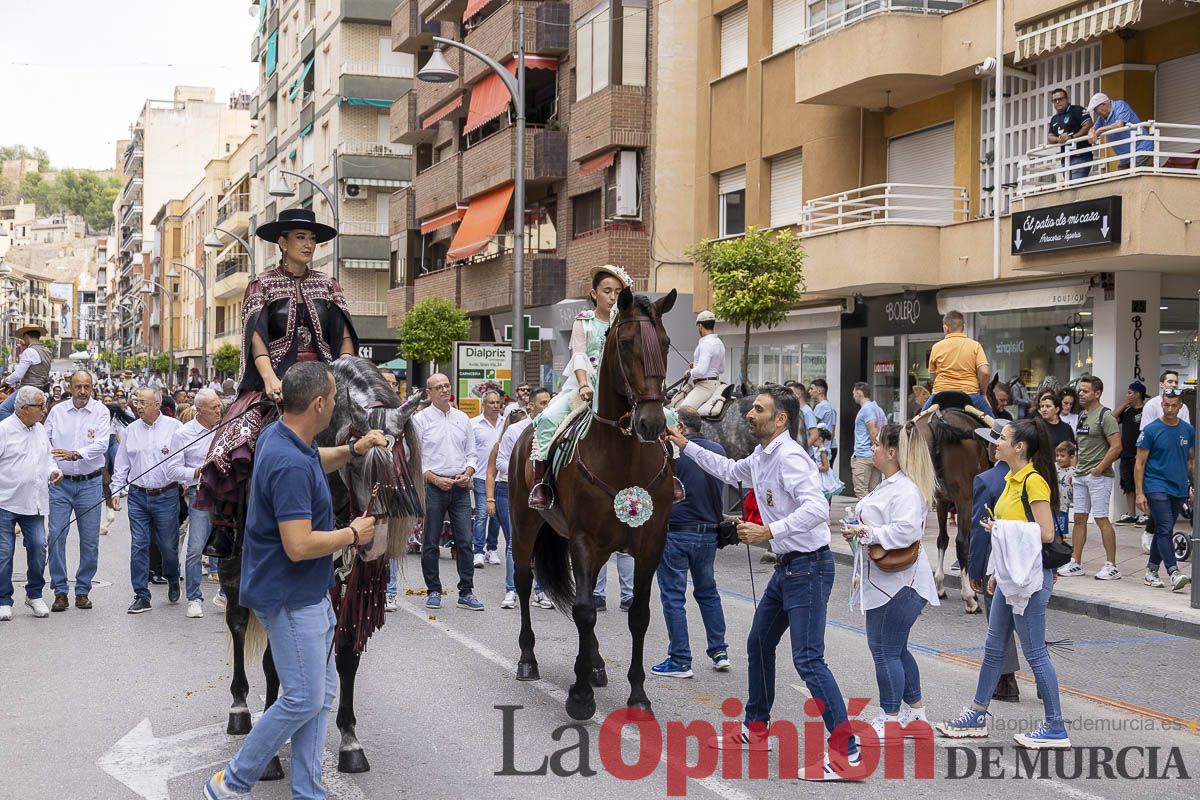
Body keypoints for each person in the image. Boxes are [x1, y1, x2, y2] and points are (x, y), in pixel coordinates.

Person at [203, 362, 380, 800]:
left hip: (305, 593)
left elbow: (316, 458)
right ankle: (231, 782)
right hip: (290, 597)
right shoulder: (288, 463)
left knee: (321, 694)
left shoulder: (283, 436)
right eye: (334, 398)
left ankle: (308, 791)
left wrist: (353, 449)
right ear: (319, 404)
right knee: (303, 698)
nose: (335, 404)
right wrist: (353, 533)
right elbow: (298, 545)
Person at [667, 385, 860, 780]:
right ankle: (756, 729)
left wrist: (768, 530)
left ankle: (848, 753)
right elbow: (727, 470)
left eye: (758, 409)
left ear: (780, 419)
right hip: (788, 568)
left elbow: (816, 509)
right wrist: (684, 444)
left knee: (808, 660)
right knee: (758, 643)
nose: (749, 414)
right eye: (752, 407)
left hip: (808, 568)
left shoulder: (790, 458)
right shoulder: (761, 455)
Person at [197, 208, 358, 557]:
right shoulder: (263, 284)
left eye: (312, 238)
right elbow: (256, 337)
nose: (309, 244)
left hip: (327, 376)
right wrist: (270, 378)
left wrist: (344, 372)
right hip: (277, 377)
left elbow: (344, 334)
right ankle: (226, 524)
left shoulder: (329, 285)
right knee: (233, 437)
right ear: (282, 243)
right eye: (301, 237)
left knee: (371, 428)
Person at [937, 419, 1070, 750]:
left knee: (1035, 652)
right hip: (1010, 578)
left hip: (1030, 581)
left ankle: (1056, 727)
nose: (996, 443)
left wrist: (1002, 528)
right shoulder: (1010, 479)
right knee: (994, 647)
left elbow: (1046, 533)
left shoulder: (1033, 481)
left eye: (1004, 439)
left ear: (1019, 447)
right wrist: (997, 569)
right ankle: (977, 714)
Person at [842, 422, 939, 737]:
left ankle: (890, 718)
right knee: (894, 649)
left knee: (885, 650)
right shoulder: (889, 484)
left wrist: (865, 532)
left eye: (877, 445)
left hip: (901, 583)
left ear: (892, 453)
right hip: (885, 580)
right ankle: (915, 714)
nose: (873, 450)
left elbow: (906, 531)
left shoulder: (905, 489)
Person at [529, 264, 634, 508]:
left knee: (666, 417)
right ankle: (541, 483)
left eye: (618, 292)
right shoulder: (583, 322)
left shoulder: (626, 323)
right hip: (584, 386)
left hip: (620, 390)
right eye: (607, 291)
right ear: (594, 293)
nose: (613, 297)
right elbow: (578, 355)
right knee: (547, 419)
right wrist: (584, 384)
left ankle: (669, 478)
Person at [651, 407, 729, 679]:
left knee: (673, 597)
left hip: (676, 531)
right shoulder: (717, 450)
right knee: (708, 593)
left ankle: (680, 659)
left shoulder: (668, 451)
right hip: (708, 532)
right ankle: (720, 651)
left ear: (680, 427)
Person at [111, 386, 184, 614]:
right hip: (138, 496)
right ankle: (142, 595)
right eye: (137, 402)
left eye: (143, 402)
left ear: (157, 405)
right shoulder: (130, 430)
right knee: (139, 544)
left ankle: (172, 576)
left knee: (168, 546)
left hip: (166, 495)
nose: (138, 406)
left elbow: (184, 460)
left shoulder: (175, 428)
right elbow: (122, 463)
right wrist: (115, 491)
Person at [414, 372, 482, 612]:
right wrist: (434, 478)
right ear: (429, 393)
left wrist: (468, 473)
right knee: (430, 542)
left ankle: (466, 592)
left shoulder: (462, 418)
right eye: (439, 387)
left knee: (465, 541)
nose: (444, 390)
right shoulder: (420, 420)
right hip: (433, 486)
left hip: (460, 486)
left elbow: (472, 454)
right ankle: (433, 590)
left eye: (447, 386)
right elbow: (416, 459)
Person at [44, 370, 110, 612]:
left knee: (90, 540)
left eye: (87, 386)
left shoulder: (101, 411)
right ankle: (60, 590)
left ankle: (82, 590)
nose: (83, 391)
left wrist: (76, 454)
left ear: (92, 387)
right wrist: (53, 469)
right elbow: (45, 444)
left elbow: (102, 444)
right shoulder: (57, 412)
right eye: (78, 386)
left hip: (89, 483)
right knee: (55, 536)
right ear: (69, 387)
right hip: (60, 484)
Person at [968, 421, 1023, 703]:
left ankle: (1006, 679)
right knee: (1028, 618)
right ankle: (1042, 678)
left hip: (998, 556)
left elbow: (979, 530)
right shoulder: (1032, 476)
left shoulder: (986, 480)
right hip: (1027, 554)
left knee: (998, 620)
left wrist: (975, 569)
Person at [486, 387, 554, 610]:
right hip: (512, 490)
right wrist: (526, 472)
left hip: (543, 491)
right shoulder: (516, 430)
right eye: (543, 403)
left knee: (542, 541)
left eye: (549, 402)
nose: (547, 407)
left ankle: (541, 590)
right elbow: (501, 462)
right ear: (530, 406)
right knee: (515, 542)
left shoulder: (555, 428)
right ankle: (512, 589)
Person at [0, 387, 61, 620]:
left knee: (38, 547)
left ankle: (34, 594)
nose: (45, 410)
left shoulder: (40, 429)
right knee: (4, 553)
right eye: (40, 406)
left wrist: (54, 471)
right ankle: (3, 599)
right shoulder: (4, 430)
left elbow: (48, 458)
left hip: (34, 503)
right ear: (25, 408)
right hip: (5, 502)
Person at [1057, 376, 1122, 580]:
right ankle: (1075, 562)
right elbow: (1081, 446)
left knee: (1101, 518)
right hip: (1081, 475)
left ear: (1097, 393)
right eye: (1080, 390)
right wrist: (1075, 470)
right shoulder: (1083, 415)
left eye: (1085, 391)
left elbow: (1117, 447)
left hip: (1099, 477)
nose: (1081, 394)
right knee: (1079, 518)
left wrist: (1099, 468)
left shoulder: (1106, 415)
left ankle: (1111, 566)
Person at [170, 388, 223, 619]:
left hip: (226, 493)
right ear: (199, 410)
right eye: (213, 408)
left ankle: (225, 592)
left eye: (219, 406)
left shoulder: (225, 428)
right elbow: (172, 469)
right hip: (200, 493)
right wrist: (197, 471)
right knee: (195, 548)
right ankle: (194, 598)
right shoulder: (183, 434)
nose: (219, 411)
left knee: (229, 544)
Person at [1134, 389, 1193, 593]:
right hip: (1156, 485)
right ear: (1162, 405)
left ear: (1180, 406)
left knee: (1162, 530)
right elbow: (1139, 463)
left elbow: (1191, 460)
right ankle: (1174, 572)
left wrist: (1192, 487)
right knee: (1166, 528)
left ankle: (1151, 572)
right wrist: (1140, 492)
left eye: (1173, 405)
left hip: (1179, 487)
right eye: (1166, 405)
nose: (1169, 409)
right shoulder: (1151, 430)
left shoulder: (1187, 430)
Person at [923, 310, 994, 415]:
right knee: (993, 424)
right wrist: (983, 393)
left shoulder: (936, 347)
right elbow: (985, 372)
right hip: (970, 395)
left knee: (918, 421)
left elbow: (933, 378)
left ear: (945, 328)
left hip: (940, 395)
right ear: (963, 327)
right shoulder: (975, 346)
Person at [470, 390, 504, 568]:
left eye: (498, 402)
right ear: (483, 404)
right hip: (480, 475)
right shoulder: (474, 424)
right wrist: (468, 474)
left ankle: (492, 548)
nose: (495, 406)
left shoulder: (506, 424)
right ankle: (478, 551)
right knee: (482, 514)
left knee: (497, 515)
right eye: (491, 402)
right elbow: (468, 451)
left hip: (500, 477)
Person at [671, 310, 726, 410]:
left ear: (700, 326)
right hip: (716, 385)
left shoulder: (706, 343)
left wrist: (689, 372)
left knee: (681, 412)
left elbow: (700, 371)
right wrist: (696, 365)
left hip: (704, 387)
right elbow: (721, 369)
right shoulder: (719, 343)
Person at [1086, 93, 1153, 169]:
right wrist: (1091, 133)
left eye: (1095, 109)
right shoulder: (1103, 117)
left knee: (1138, 175)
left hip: (1141, 149)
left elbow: (1119, 124)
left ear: (1103, 104)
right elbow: (1094, 128)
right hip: (1125, 157)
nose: (1095, 113)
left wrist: (1100, 130)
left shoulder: (1120, 105)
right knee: (1123, 175)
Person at [0, 323, 52, 422]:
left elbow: (18, 374)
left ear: (27, 336)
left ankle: (17, 428)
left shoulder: (29, 351)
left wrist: (6, 381)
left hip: (28, 390)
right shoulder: (47, 351)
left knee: (2, 410)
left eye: (24, 338)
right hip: (42, 388)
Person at [1113, 382, 1148, 525]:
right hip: (1126, 454)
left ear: (1138, 394)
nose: (1127, 395)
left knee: (1143, 484)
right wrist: (1124, 403)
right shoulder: (1127, 411)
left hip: (1140, 454)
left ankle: (1146, 514)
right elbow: (1112, 417)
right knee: (1127, 485)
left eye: (1130, 392)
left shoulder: (1146, 410)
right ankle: (1131, 514)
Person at [1047, 87, 1094, 180]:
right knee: (1069, 186)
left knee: (1075, 186)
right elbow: (1050, 138)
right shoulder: (1054, 119)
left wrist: (1072, 137)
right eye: (1054, 100)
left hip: (1080, 156)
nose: (1057, 102)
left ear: (1067, 99)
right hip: (1065, 159)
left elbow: (1088, 125)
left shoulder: (1077, 110)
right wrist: (1059, 139)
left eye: (1060, 99)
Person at [851, 382, 885, 498]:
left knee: (861, 491)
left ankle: (865, 510)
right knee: (873, 492)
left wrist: (874, 447)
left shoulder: (866, 409)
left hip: (863, 456)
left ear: (859, 393)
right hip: (874, 456)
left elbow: (873, 431)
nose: (853, 396)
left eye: (854, 393)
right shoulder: (878, 409)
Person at [809, 379, 838, 467]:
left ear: (819, 391)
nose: (809, 391)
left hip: (823, 447)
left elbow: (811, 426)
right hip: (832, 446)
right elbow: (833, 431)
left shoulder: (821, 406)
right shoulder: (831, 407)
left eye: (812, 389)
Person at [1054, 442, 1077, 542]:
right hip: (1054, 497)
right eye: (1057, 455)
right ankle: (1055, 532)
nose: (1059, 458)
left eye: (1062, 456)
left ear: (1071, 457)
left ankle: (1061, 534)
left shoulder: (1073, 471)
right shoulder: (1054, 467)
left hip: (1065, 500)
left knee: (1063, 514)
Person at [787, 381, 819, 447]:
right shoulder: (796, 410)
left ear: (798, 394)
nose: (788, 396)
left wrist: (802, 450)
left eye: (790, 393)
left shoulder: (807, 412)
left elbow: (814, 435)